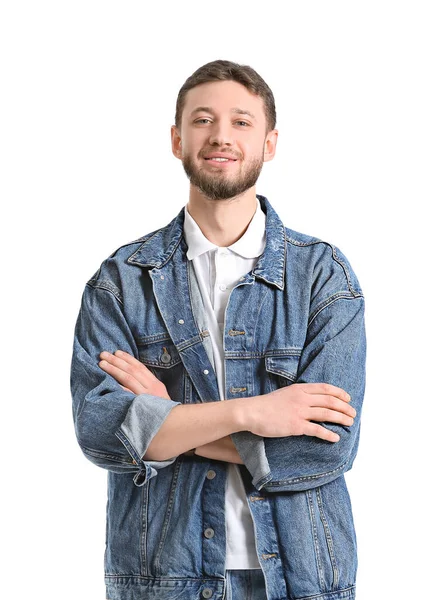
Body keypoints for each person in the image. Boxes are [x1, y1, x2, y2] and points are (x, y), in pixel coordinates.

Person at [71, 59, 366, 600]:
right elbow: (101, 431)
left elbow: (328, 449)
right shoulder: (121, 281)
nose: (221, 136)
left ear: (269, 143)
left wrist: (169, 422)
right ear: (177, 139)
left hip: (300, 580)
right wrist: (251, 414)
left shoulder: (323, 276)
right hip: (163, 578)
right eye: (203, 120)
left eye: (242, 122)